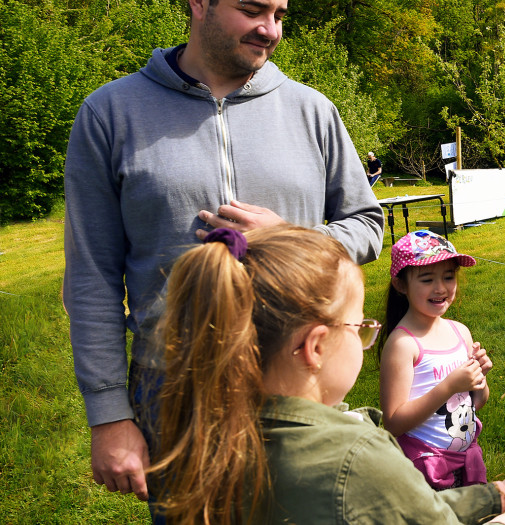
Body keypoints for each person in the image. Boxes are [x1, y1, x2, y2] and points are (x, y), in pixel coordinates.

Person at [62, 0, 385, 504]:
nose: (269, 29)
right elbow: (91, 277)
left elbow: (367, 223)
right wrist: (108, 414)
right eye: (253, 10)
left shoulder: (312, 109)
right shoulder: (109, 114)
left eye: (279, 14)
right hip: (174, 391)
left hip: (298, 380)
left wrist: (291, 238)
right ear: (198, 5)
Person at [148, 224, 505, 524]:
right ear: (315, 347)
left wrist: (497, 494)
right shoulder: (354, 457)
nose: (369, 335)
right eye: (360, 327)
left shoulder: (212, 434)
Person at [378, 230, 492, 490]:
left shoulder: (460, 332)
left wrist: (479, 380)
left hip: (465, 459)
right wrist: (448, 386)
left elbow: (477, 403)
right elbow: (394, 422)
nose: (440, 288)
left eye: (449, 277)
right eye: (427, 279)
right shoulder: (403, 345)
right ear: (401, 285)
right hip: (426, 469)